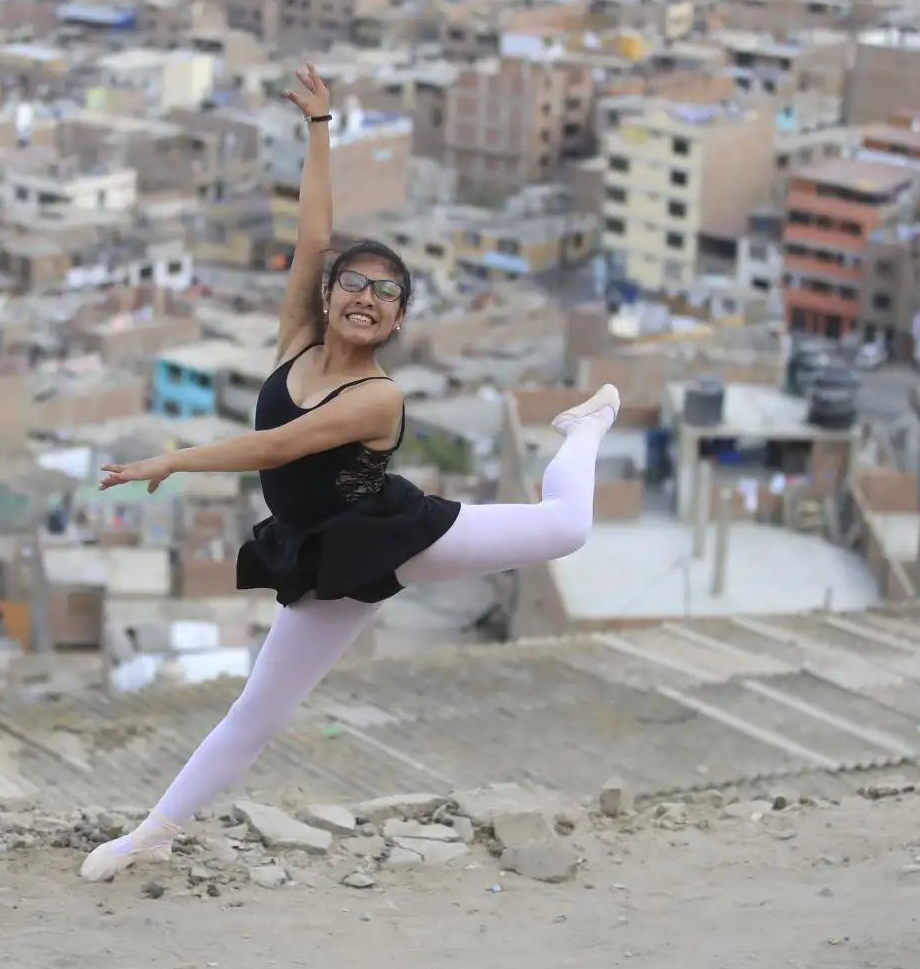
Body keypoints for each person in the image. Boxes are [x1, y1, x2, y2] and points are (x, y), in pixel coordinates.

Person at [80, 64, 619, 882]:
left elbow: (275, 449)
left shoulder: (378, 396)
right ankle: (151, 834)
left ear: (398, 319)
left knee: (568, 526)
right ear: (329, 296)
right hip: (321, 556)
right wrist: (320, 128)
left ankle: (585, 427)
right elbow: (312, 238)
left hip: (392, 534)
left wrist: (172, 460)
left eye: (388, 293)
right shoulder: (295, 339)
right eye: (355, 283)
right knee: (257, 712)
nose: (368, 296)